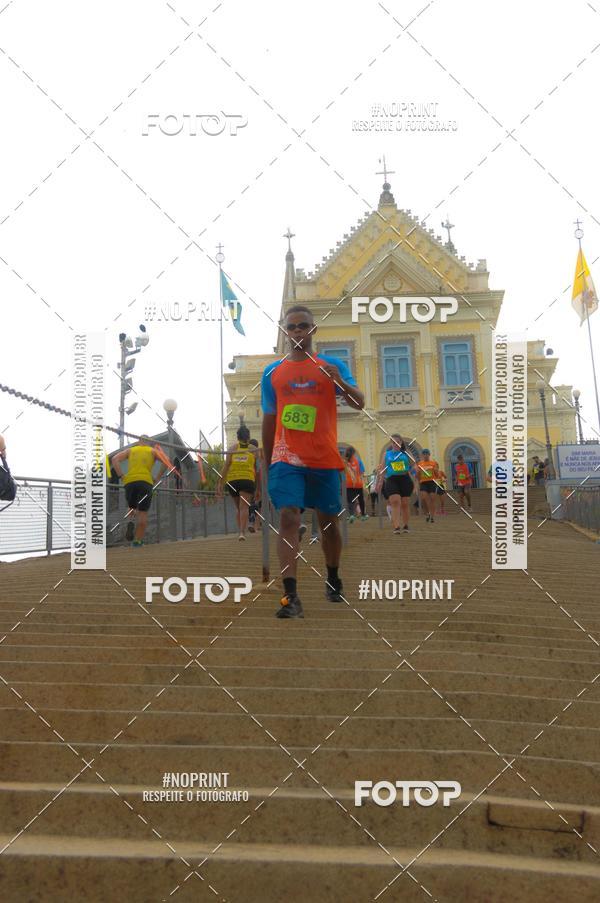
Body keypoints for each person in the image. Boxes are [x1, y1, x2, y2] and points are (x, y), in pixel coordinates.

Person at [261, 305, 364, 619]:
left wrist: (339, 382)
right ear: (284, 331)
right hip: (285, 457)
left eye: (303, 326)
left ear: (313, 330)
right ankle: (290, 598)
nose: (297, 332)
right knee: (289, 518)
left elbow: (360, 403)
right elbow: (269, 419)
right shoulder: (272, 373)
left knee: (329, 523)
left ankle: (333, 577)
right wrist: (267, 465)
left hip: (323, 458)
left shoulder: (331, 365)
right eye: (291, 327)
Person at [111, 436, 167, 546]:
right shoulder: (152, 450)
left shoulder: (131, 450)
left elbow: (114, 459)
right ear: (149, 443)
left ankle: (130, 521)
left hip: (130, 482)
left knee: (132, 506)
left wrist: (122, 476)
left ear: (139, 441)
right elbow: (167, 460)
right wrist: (157, 478)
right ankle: (137, 542)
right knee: (143, 513)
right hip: (145, 482)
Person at [218, 425, 258, 541]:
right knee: (244, 507)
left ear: (237, 437)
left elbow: (225, 467)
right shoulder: (253, 449)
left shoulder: (232, 449)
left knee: (239, 508)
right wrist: (259, 487)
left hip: (232, 481)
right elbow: (259, 467)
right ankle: (242, 532)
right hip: (247, 480)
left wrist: (219, 482)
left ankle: (240, 531)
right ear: (249, 437)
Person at [376, 434, 413, 534]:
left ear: (401, 443)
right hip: (392, 479)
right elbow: (383, 469)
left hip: (405, 479)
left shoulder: (406, 453)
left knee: (405, 503)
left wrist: (416, 476)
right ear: (391, 443)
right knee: (395, 501)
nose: (396, 443)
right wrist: (380, 482)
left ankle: (405, 525)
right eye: (394, 442)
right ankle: (396, 526)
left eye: (398, 442)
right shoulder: (386, 454)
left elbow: (414, 466)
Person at [415, 449, 440, 523]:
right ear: (422, 455)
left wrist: (436, 471)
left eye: (427, 454)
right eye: (424, 454)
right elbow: (417, 476)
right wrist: (418, 473)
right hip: (423, 483)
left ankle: (432, 516)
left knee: (432, 499)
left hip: (432, 482)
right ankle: (427, 513)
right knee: (424, 499)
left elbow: (437, 475)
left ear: (429, 455)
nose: (425, 455)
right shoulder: (419, 464)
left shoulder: (433, 463)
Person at [344, 446, 367, 522]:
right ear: (354, 453)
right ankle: (363, 515)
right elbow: (362, 473)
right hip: (358, 483)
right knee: (360, 500)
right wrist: (365, 485)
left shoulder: (345, 462)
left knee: (350, 500)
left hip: (349, 484)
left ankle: (351, 515)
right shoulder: (358, 461)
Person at [247, 438, 262, 532]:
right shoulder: (258, 456)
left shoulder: (249, 455)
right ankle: (257, 525)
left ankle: (253, 523)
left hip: (250, 480)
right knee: (258, 503)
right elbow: (258, 471)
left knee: (252, 503)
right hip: (258, 482)